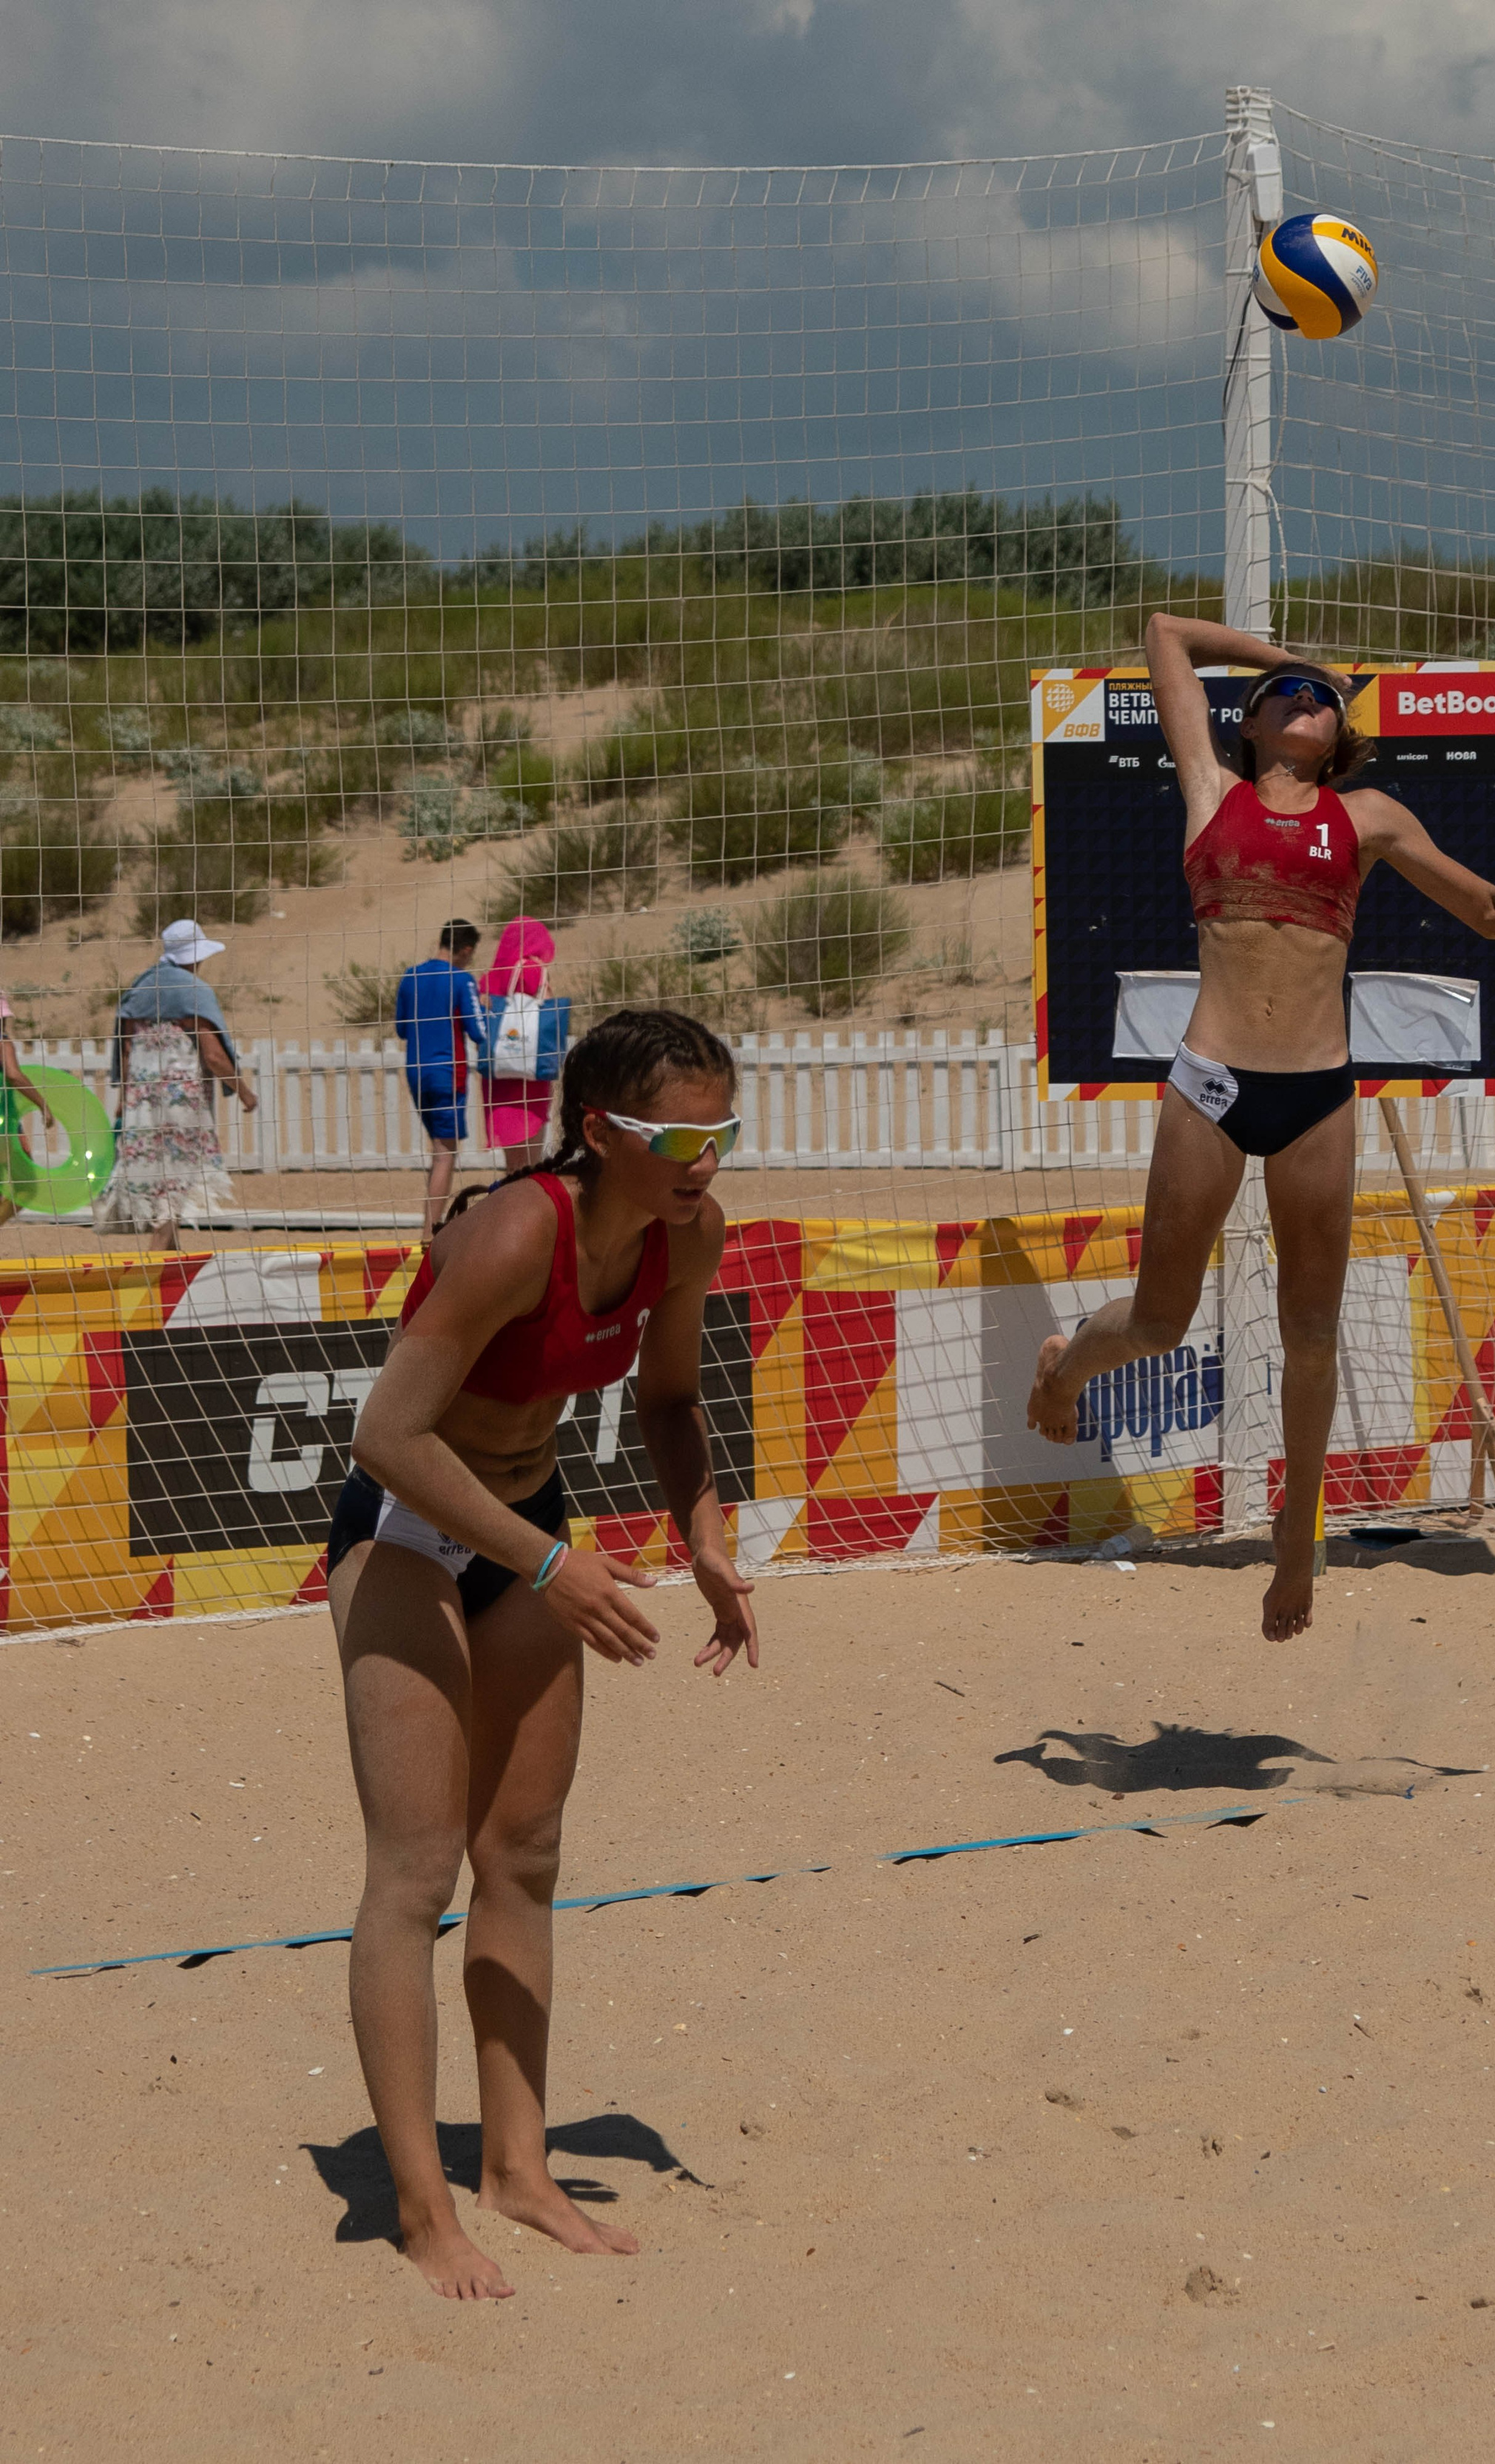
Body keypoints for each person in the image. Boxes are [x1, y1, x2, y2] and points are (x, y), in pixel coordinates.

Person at [1027, 612, 1495, 1640]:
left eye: (1324, 698)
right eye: (1290, 697)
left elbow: (1494, 912)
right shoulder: (1211, 791)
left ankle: (1296, 1531)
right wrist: (1289, 658)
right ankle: (1065, 1365)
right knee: (1161, 1322)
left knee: (1312, 1335)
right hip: (1212, 1085)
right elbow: (1165, 634)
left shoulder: (1369, 815)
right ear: (1251, 723)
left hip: (1317, 1092)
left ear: (1339, 738)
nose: (1310, 702)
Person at [328, 1006, 758, 2302]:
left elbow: (671, 1400)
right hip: (409, 1529)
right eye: (676, 1137)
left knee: (521, 1857)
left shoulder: (687, 1232)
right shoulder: (518, 1231)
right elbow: (387, 1436)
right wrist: (550, 1564)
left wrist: (703, 1534)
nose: (703, 1159)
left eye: (722, 1133)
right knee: (414, 1873)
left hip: (525, 1529)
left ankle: (518, 2169)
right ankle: (422, 2210)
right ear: (598, 1131)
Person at [92, 919, 258, 1248]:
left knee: (158, 1175)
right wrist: (245, 1092)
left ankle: (170, 1258)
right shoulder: (193, 991)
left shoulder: (140, 989)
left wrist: (126, 1097)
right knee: (177, 1178)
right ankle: (157, 1259)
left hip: (143, 1103)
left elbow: (126, 1050)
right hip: (181, 1104)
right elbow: (214, 1055)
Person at [395, 920, 487, 1233]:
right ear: (467, 950)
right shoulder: (461, 980)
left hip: (416, 1071)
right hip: (448, 1073)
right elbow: (479, 1031)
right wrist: (485, 1009)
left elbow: (401, 1028)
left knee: (438, 1151)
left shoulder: (411, 976)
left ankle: (430, 1227)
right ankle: (429, 1233)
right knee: (445, 1154)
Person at [480, 916, 561, 1175]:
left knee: (512, 1162)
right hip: (529, 1072)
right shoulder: (533, 970)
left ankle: (509, 1196)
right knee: (531, 1160)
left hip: (500, 1071)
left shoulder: (490, 977)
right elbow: (548, 1014)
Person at [0, 992, 53, 1223]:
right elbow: (14, 1075)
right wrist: (43, 1104)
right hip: (5, 1126)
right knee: (26, 1187)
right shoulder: (3, 1042)